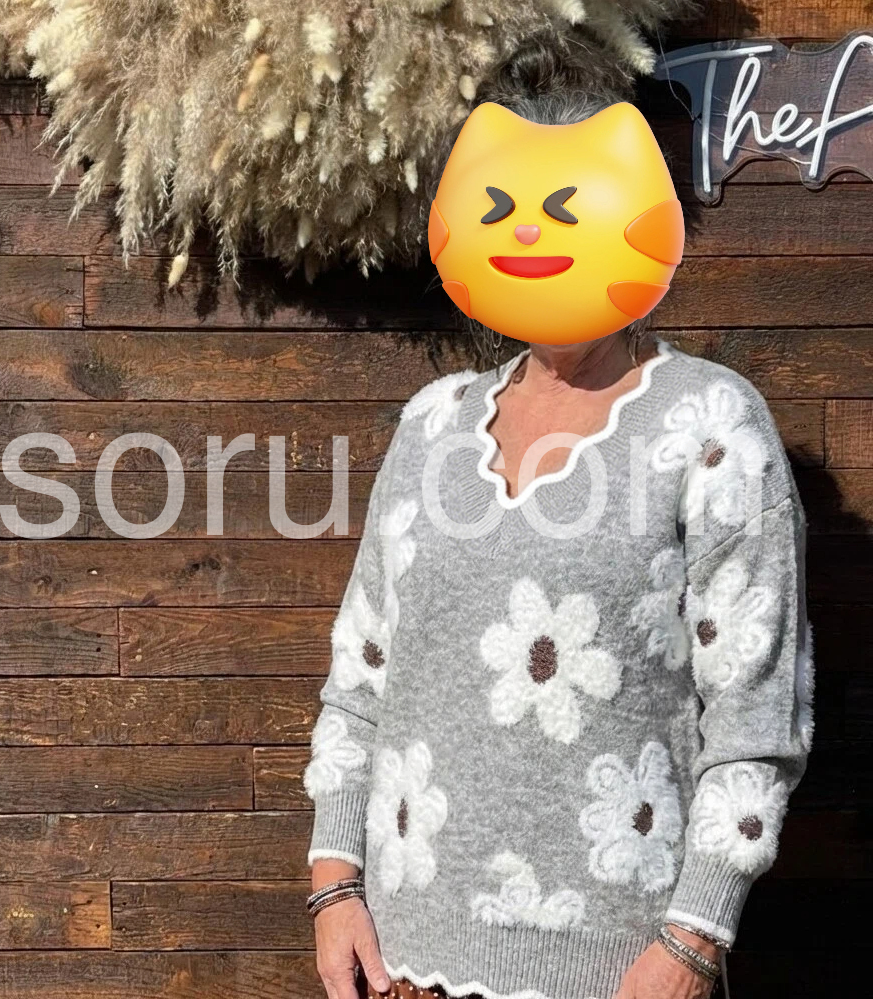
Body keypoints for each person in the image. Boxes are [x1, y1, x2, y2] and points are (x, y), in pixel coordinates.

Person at [302, 70, 812, 999]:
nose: (531, 233)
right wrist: (335, 887)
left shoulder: (710, 424)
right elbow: (362, 676)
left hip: (617, 972)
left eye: (569, 210)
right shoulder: (430, 425)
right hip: (405, 964)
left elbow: (755, 715)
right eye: (500, 209)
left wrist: (692, 945)